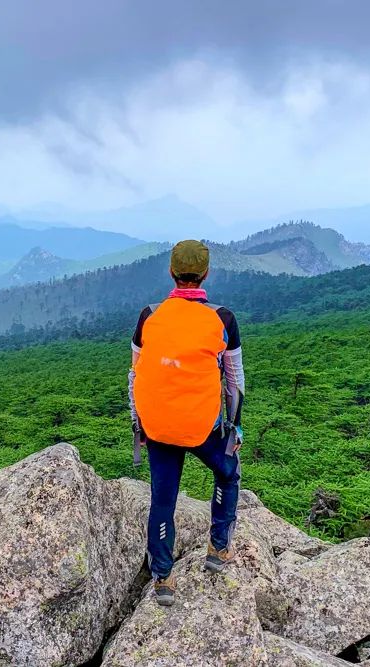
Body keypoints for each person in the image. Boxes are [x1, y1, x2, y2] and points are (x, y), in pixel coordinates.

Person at [128, 239, 245, 607]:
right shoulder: (222, 318)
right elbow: (233, 380)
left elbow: (136, 375)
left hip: (158, 424)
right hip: (201, 425)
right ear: (206, 273)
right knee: (228, 472)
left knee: (163, 499)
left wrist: (140, 425)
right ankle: (219, 547)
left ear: (171, 273)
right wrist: (234, 427)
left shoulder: (149, 315)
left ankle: (163, 577)